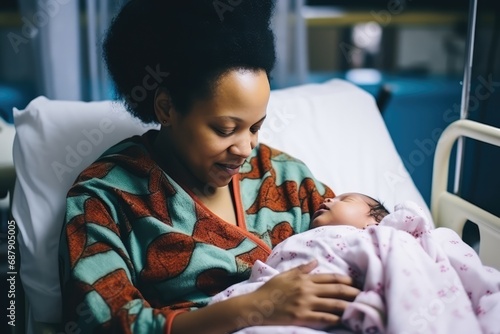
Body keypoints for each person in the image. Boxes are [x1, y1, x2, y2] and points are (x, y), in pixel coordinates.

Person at [57, 1, 360, 333]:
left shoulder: (287, 179)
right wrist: (250, 308)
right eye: (226, 130)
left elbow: (362, 253)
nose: (245, 149)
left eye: (256, 128)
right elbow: (107, 322)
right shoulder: (104, 199)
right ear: (166, 108)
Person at [210, 195, 500, 334]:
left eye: (344, 198)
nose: (327, 198)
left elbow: (410, 270)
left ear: (374, 221)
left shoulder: (384, 238)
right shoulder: (306, 238)